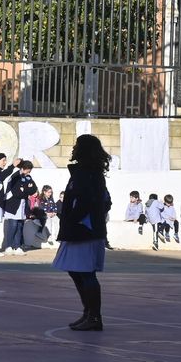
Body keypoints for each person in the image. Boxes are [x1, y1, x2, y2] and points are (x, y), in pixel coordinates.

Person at [54, 134, 112, 331]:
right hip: (81, 227)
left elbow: (89, 201)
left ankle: (94, 317)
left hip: (84, 228)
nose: (73, 148)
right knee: (76, 270)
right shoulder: (85, 172)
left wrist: (73, 219)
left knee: (86, 272)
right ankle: (88, 312)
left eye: (77, 145)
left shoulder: (87, 173)